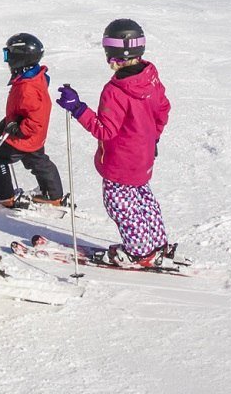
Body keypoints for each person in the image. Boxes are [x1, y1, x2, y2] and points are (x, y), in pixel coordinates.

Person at [56, 18, 172, 268]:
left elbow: (104, 130)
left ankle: (139, 252)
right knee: (142, 198)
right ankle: (156, 242)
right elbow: (163, 109)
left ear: (112, 53)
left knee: (121, 205)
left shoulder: (115, 91)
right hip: (144, 157)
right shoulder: (150, 78)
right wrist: (154, 137)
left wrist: (77, 108)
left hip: (120, 161)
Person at [0, 33, 63, 208]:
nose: (6, 60)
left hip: (25, 136)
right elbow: (25, 110)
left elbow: (35, 118)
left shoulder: (27, 87)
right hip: (34, 137)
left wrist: (18, 129)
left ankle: (2, 195)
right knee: (37, 161)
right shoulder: (33, 78)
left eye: (8, 55)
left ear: (20, 58)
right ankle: (52, 194)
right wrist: (9, 121)